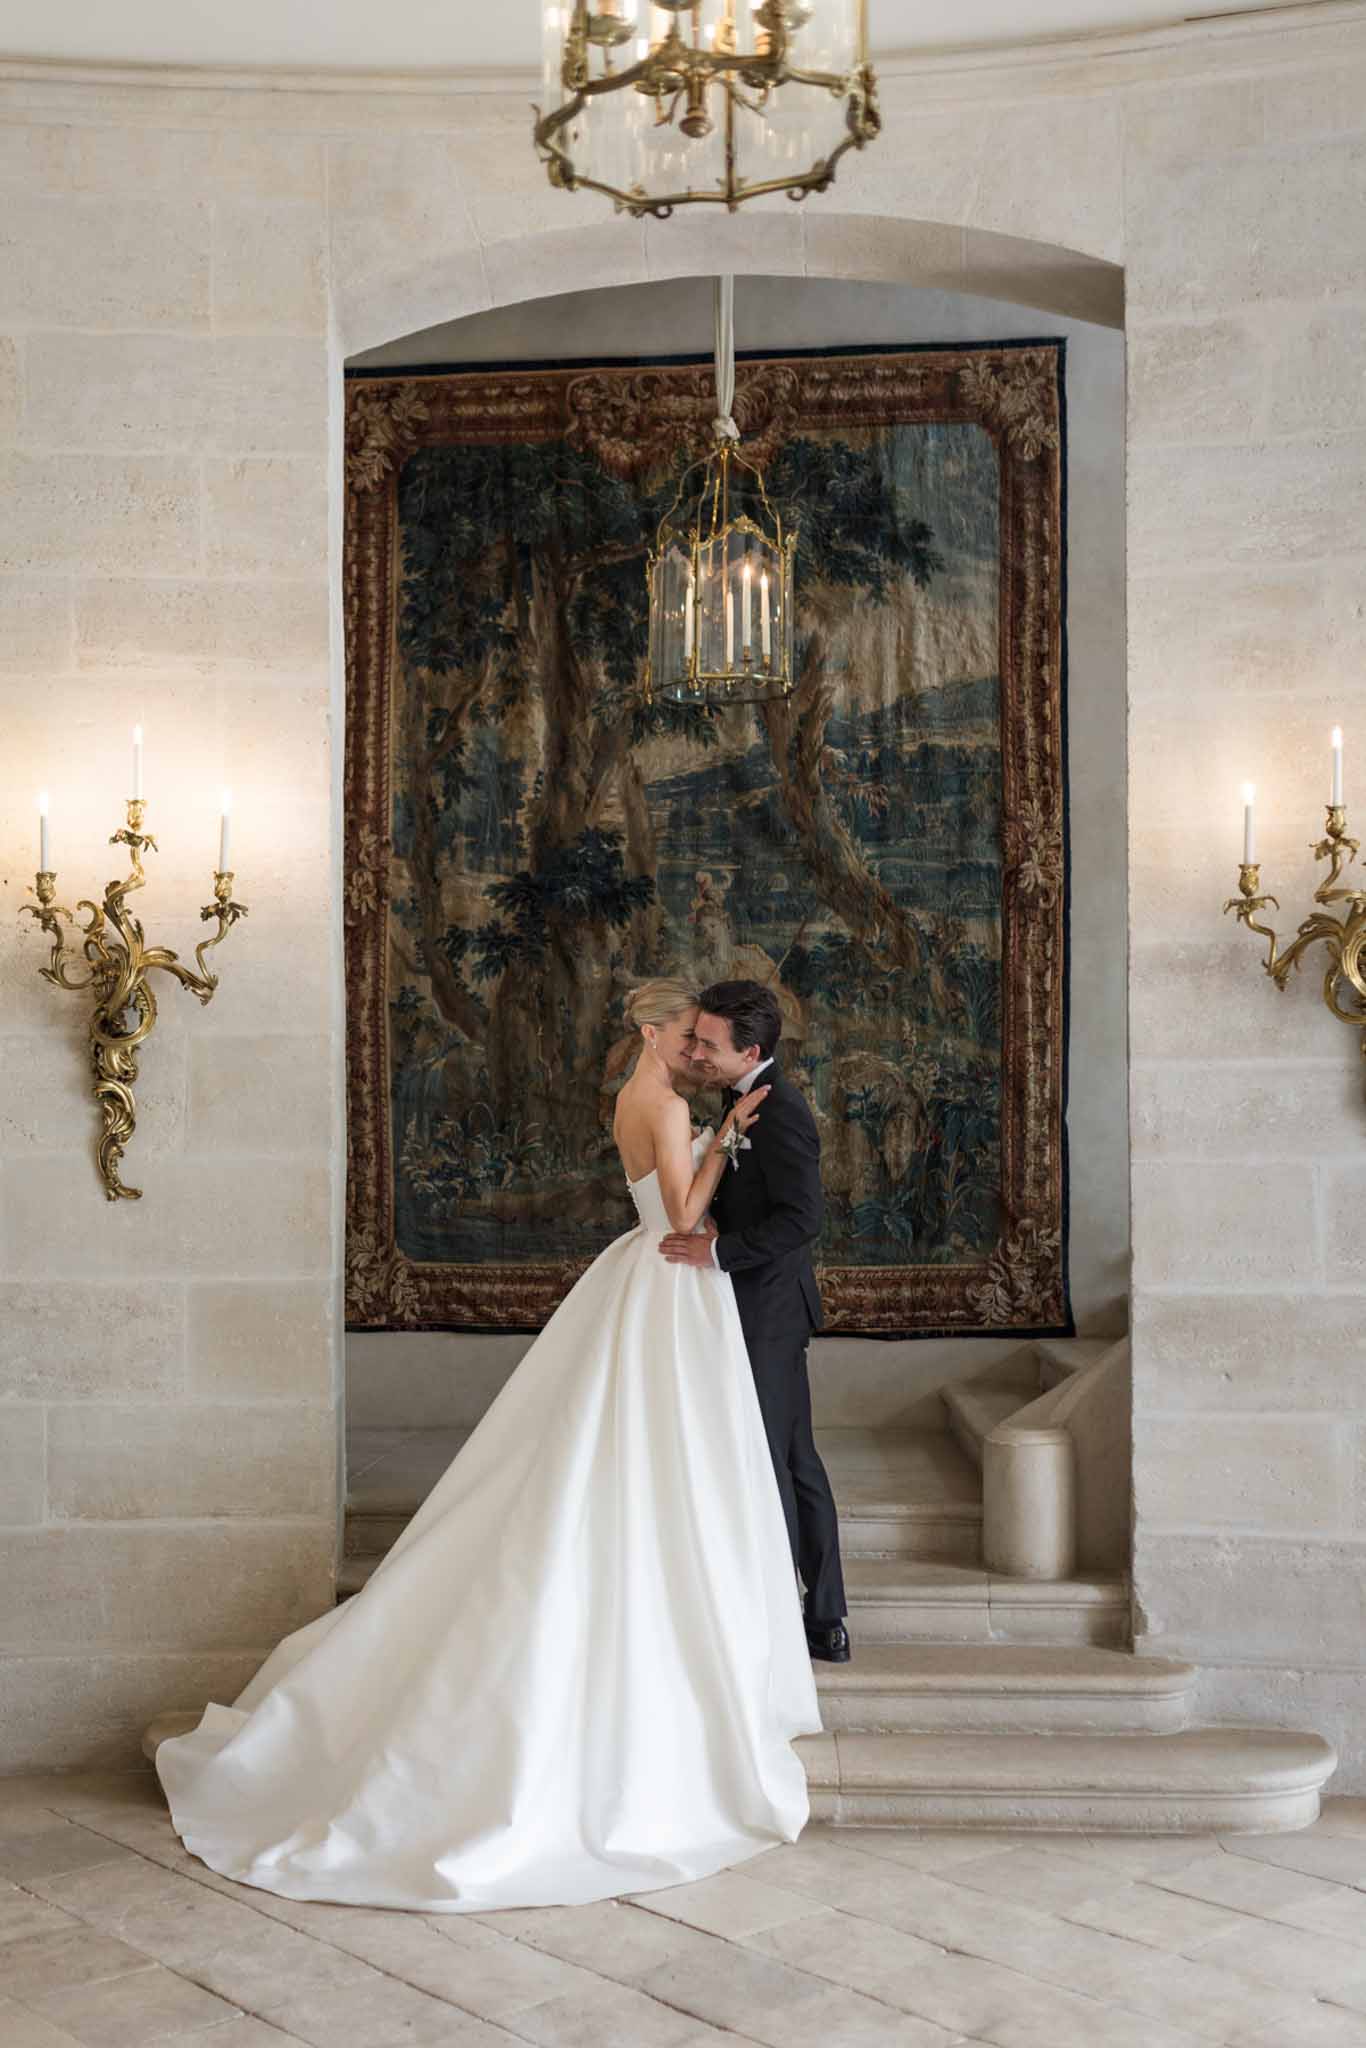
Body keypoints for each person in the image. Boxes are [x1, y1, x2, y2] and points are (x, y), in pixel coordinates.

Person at [153, 979, 821, 1914]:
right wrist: (721, 1145)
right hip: (671, 1279)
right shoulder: (668, 1106)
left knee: (641, 1456)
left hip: (646, 1283)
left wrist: (718, 1140)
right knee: (663, 1462)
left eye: (703, 1042)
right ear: (652, 1032)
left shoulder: (639, 1098)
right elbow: (680, 1220)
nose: (694, 1052)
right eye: (686, 1036)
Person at [660, 979, 850, 1664]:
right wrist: (717, 1217)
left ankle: (806, 1621)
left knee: (780, 1463)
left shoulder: (783, 1110)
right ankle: (816, 1617)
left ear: (750, 1052)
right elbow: (751, 1193)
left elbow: (803, 1218)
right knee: (784, 1460)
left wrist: (719, 1250)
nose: (697, 1053)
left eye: (709, 1045)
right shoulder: (739, 1097)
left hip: (769, 1312)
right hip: (744, 1305)